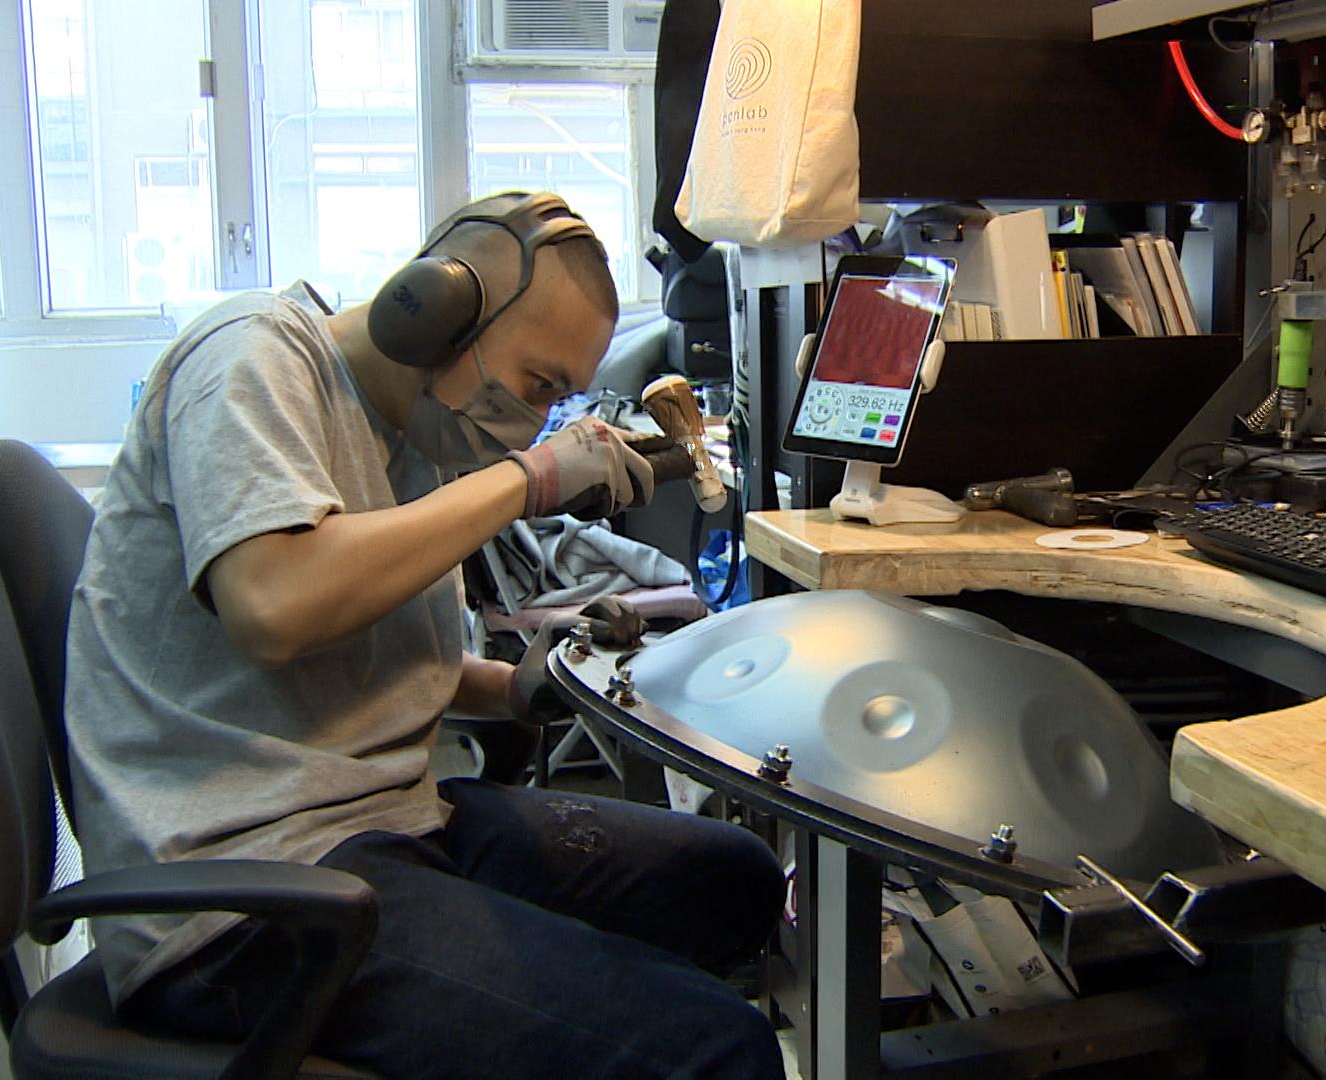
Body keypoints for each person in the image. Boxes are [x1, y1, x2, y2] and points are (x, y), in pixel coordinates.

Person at [64, 192, 786, 1078]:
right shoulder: (251, 354)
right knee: (716, 1045)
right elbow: (274, 605)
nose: (532, 422)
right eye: (539, 385)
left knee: (736, 881)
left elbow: (392, 664)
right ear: (438, 308)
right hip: (245, 898)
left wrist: (524, 684)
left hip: (392, 824)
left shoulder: (420, 441)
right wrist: (528, 480)